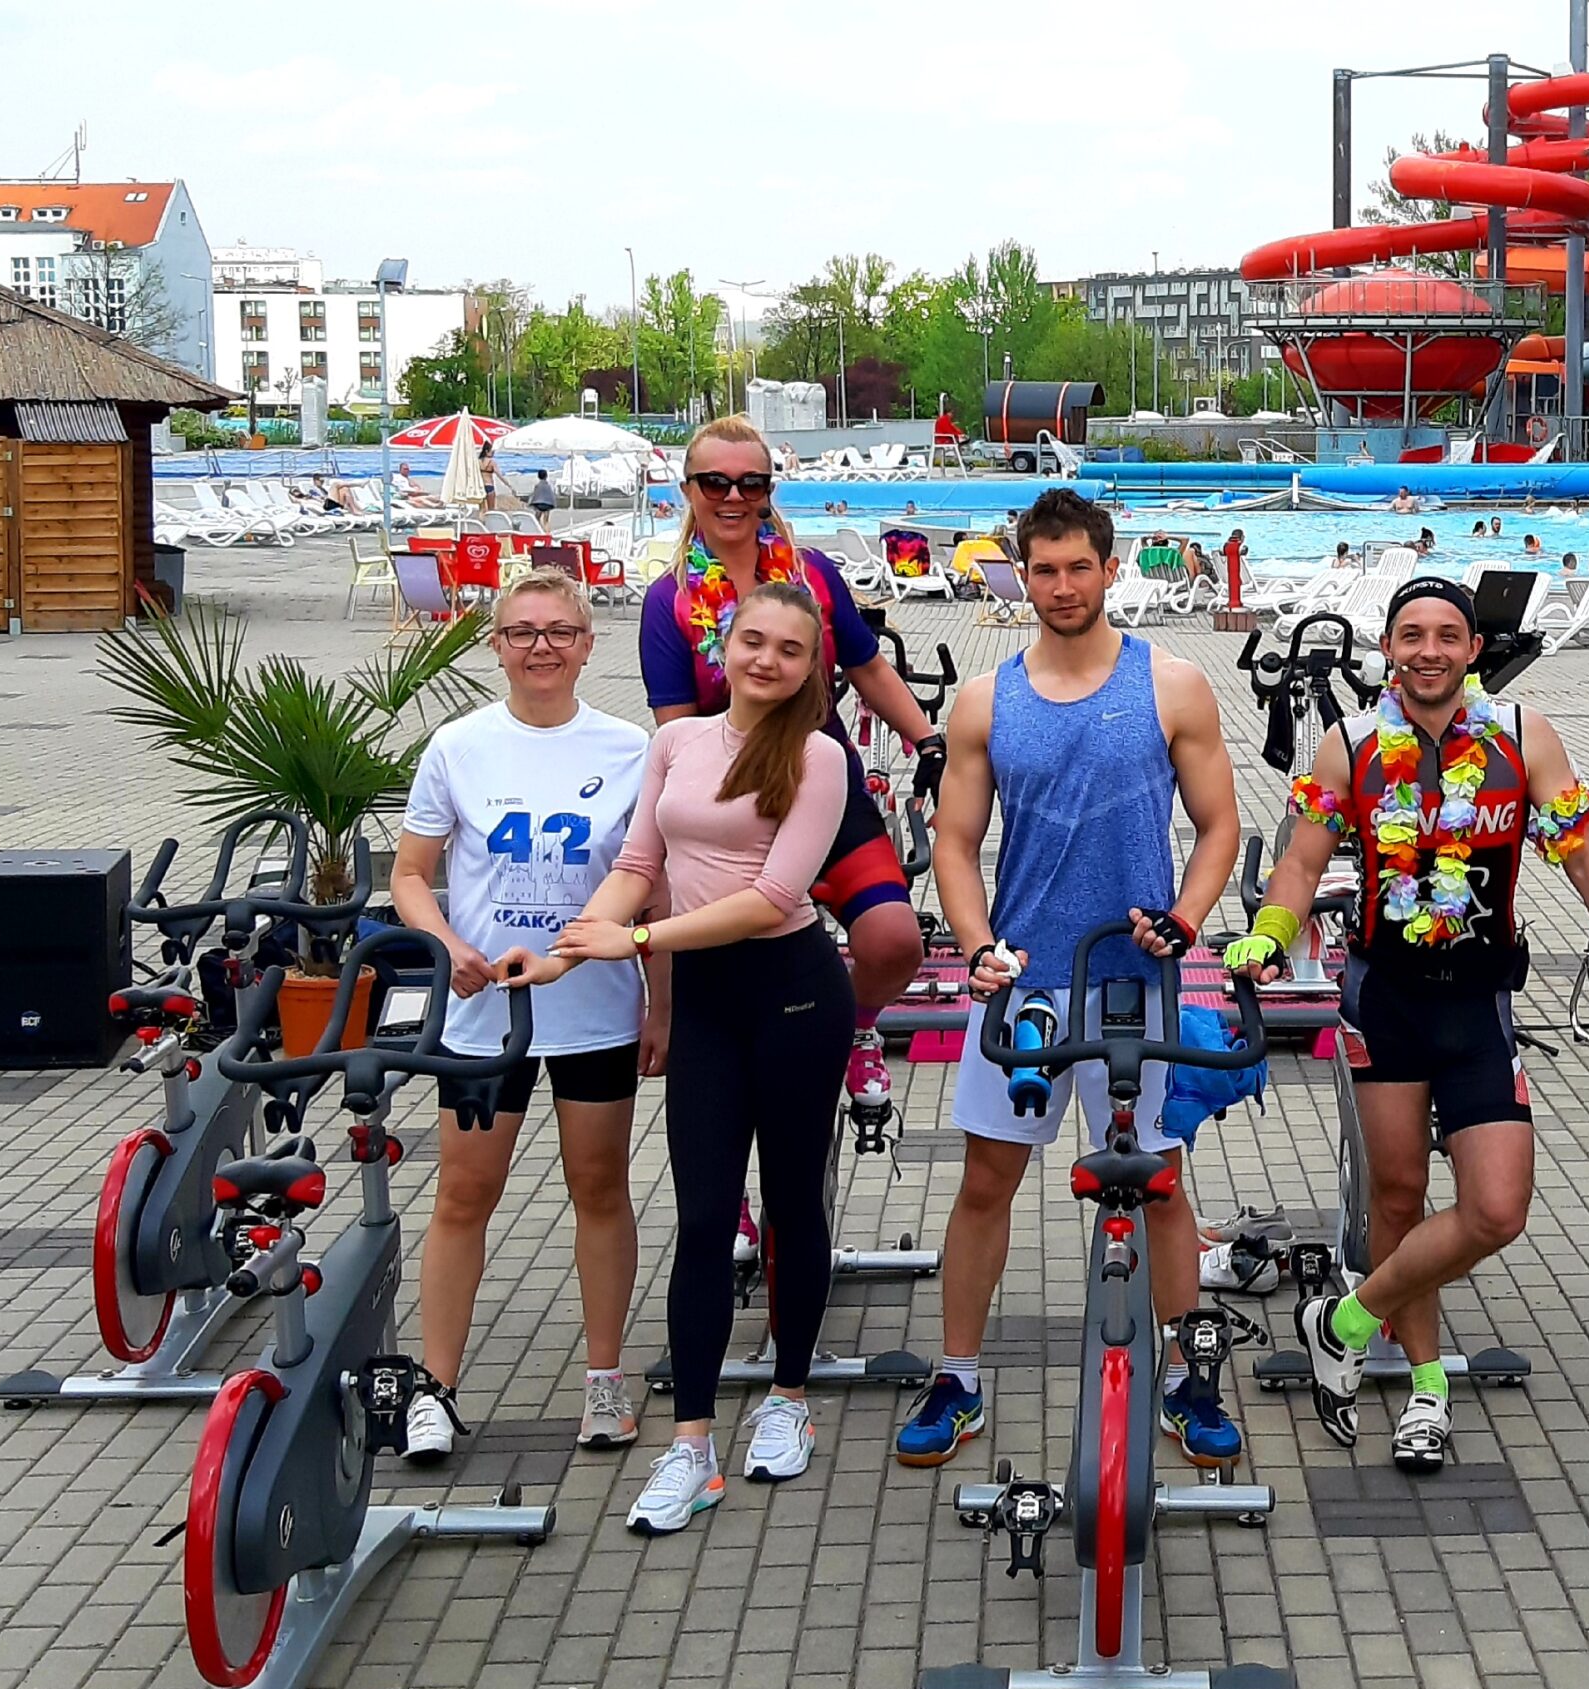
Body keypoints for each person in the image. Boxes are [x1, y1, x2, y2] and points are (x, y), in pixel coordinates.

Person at [1232, 576, 1589, 1468]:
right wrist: (1271, 929)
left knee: (1495, 1207)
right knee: (1398, 1197)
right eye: (1411, 634)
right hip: (1384, 999)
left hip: (1479, 1003)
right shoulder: (1349, 744)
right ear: (1387, 648)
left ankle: (1342, 1320)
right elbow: (1301, 861)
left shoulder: (1523, 737)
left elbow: (1584, 856)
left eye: (1447, 635)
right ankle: (1425, 1387)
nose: (1429, 651)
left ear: (1474, 649)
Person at [895, 489, 1246, 1468]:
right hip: (1029, 985)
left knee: (1160, 1183)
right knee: (985, 1183)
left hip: (1135, 979)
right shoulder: (985, 700)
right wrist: (976, 946)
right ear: (1022, 574)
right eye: (1042, 569)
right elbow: (954, 843)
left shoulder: (1172, 685)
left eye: (1077, 567)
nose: (1060, 586)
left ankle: (1183, 1377)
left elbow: (1219, 825)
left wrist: (1185, 918)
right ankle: (957, 1377)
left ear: (1109, 568)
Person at [503, 579, 856, 1523]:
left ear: (809, 667)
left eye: (789, 649)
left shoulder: (818, 755)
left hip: (793, 994)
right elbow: (636, 867)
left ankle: (788, 1397)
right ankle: (691, 1443)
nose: (767, 660)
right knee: (702, 1216)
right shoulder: (676, 742)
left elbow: (774, 898)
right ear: (725, 647)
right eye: (754, 641)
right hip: (705, 1002)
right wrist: (564, 952)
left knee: (790, 1203)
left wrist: (640, 941)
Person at [640, 415, 938, 1261]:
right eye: (716, 482)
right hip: (729, 811)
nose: (734, 497)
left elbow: (867, 666)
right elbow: (675, 731)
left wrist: (928, 740)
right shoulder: (668, 603)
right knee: (725, 1030)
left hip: (819, 783)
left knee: (894, 938)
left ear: (772, 489)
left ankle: (857, 1028)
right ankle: (729, 1195)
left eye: (753, 482)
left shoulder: (812, 574)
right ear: (688, 491)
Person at [391, 571, 651, 1460]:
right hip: (482, 1013)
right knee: (464, 1193)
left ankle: (606, 1381)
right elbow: (410, 874)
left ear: (587, 644)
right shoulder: (459, 746)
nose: (542, 646)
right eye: (522, 632)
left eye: (560, 631)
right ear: (496, 646)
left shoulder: (630, 748)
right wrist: (446, 945)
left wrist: (661, 1003)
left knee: (599, 1188)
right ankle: (434, 1387)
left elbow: (648, 883)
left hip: (594, 1011)